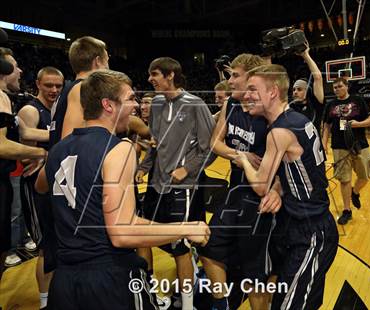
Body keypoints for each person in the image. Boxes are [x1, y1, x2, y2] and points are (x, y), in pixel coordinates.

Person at [35, 69, 210, 310]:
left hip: (64, 281)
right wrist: (186, 229)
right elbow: (122, 233)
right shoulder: (118, 149)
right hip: (109, 278)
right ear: (108, 105)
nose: (136, 105)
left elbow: (40, 185)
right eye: (129, 99)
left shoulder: (58, 149)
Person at [234, 64, 338, 309]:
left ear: (272, 92)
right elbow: (300, 167)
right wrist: (279, 188)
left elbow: (260, 184)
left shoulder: (279, 131)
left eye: (252, 89)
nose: (246, 95)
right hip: (304, 223)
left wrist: (242, 159)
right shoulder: (298, 119)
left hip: (312, 232)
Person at [199, 54, 280, 310]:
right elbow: (215, 143)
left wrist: (278, 189)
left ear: (252, 79)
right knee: (208, 248)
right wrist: (240, 155)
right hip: (235, 193)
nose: (229, 80)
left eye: (235, 75)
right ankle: (221, 303)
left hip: (260, 200)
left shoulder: (269, 114)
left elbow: (286, 162)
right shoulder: (231, 106)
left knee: (255, 274)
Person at [135, 57, 215, 310]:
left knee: (180, 246)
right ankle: (148, 293)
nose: (150, 79)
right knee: (144, 238)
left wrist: (186, 168)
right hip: (155, 185)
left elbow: (209, 149)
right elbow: (156, 143)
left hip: (182, 187)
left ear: (170, 75)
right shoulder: (157, 103)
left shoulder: (195, 104)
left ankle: (188, 304)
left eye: (155, 74)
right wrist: (144, 167)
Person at [18, 66, 64, 309]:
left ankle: (55, 296)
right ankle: (45, 302)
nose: (54, 90)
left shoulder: (56, 110)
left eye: (58, 85)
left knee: (55, 245)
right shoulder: (30, 109)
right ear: (37, 84)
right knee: (45, 248)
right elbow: (26, 155)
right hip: (34, 188)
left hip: (52, 187)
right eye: (49, 85)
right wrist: (58, 144)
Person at [0, 48, 48, 278]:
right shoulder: (1, 96)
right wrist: (45, 155)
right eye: (14, 65)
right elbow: (2, 146)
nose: (19, 70)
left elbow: (25, 132)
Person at [322, 77, 370, 225]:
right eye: (334, 87)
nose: (337, 89)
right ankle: (346, 210)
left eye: (339, 86)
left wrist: (358, 124)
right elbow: (326, 125)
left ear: (347, 86)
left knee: (365, 175)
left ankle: (355, 192)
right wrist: (324, 143)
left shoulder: (358, 100)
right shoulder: (331, 105)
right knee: (344, 179)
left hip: (359, 145)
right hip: (339, 146)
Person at [290, 43, 325, 133]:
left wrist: (305, 55)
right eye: (294, 89)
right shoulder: (290, 107)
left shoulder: (315, 104)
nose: (295, 92)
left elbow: (318, 77)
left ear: (307, 91)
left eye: (299, 89)